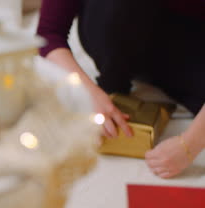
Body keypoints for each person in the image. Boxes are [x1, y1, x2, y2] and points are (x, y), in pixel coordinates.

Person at [36, 0, 205, 178]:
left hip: (183, 31)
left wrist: (190, 143)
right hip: (112, 22)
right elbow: (48, 34)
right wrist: (87, 92)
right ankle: (114, 84)